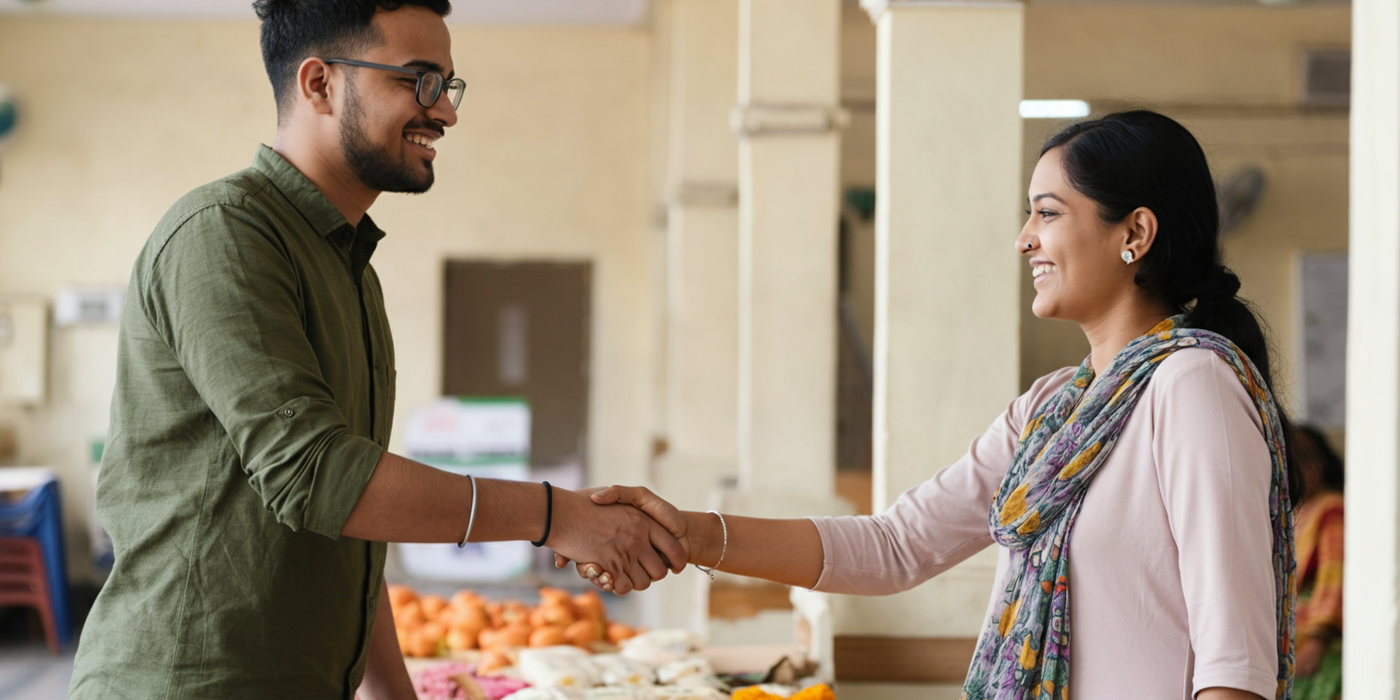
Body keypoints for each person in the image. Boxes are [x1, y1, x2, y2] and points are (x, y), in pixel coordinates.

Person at [565, 111, 1300, 700]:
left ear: (1135, 233)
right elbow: (896, 547)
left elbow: (1234, 660)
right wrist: (689, 533)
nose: (1024, 241)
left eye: (1047, 213)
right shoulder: (1051, 410)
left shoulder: (1193, 386)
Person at [68, 2, 683, 699]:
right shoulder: (223, 236)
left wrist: (393, 692)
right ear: (320, 84)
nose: (445, 113)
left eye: (447, 86)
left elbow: (350, 521)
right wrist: (556, 516)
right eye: (419, 81)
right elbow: (317, 477)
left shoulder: (350, 270)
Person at [1291, 425, 1343, 700]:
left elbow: (1333, 577)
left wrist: (1317, 639)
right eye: (1292, 458)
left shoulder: (1332, 508)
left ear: (1322, 461)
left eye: (1306, 457)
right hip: (1293, 645)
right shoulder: (1294, 510)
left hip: (1322, 649)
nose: (1300, 466)